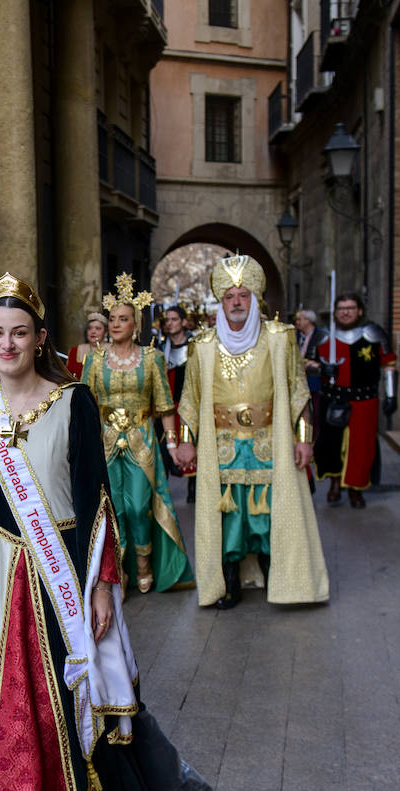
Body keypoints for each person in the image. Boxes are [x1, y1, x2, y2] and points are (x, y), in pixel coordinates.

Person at [0, 272, 210, 791]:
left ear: (39, 339)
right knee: (0, 705)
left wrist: (106, 583)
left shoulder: (74, 402)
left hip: (61, 574)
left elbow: (97, 500)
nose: (8, 345)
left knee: (68, 695)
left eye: (20, 334)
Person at [172, 256, 329, 609]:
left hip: (270, 440)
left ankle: (280, 577)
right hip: (222, 445)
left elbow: (298, 391)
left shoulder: (280, 338)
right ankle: (229, 582)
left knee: (270, 510)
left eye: (243, 295)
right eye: (230, 296)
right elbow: (190, 399)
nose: (237, 302)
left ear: (254, 299)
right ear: (221, 303)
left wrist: (303, 438)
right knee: (228, 513)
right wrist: (185, 441)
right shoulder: (204, 344)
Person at [82, 275, 193, 594]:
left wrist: (172, 444)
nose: (115, 324)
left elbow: (164, 406)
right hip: (104, 443)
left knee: (138, 506)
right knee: (112, 506)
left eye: (123, 319)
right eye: (112, 319)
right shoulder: (94, 359)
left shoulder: (151, 358)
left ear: (136, 324)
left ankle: (145, 563)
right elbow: (85, 406)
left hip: (142, 441)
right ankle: (120, 568)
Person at [313, 292, 397, 509]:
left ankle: (355, 489)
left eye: (350, 308)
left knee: (361, 447)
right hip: (333, 398)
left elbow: (389, 364)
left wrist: (391, 394)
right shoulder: (323, 336)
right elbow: (304, 363)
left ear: (359, 310)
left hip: (364, 400)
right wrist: (321, 368)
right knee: (330, 445)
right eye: (341, 309)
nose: (346, 312)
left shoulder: (374, 333)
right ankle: (334, 484)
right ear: (335, 312)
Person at [158, 304, 196, 503]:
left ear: (183, 321)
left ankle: (194, 493)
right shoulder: (160, 348)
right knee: (164, 448)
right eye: (167, 320)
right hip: (166, 408)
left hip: (187, 405)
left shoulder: (194, 346)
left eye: (174, 319)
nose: (170, 324)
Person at [65, 311, 108, 379]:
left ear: (105, 333)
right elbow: (68, 376)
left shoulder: (113, 349)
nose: (93, 331)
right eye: (90, 328)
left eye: (98, 328)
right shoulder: (75, 350)